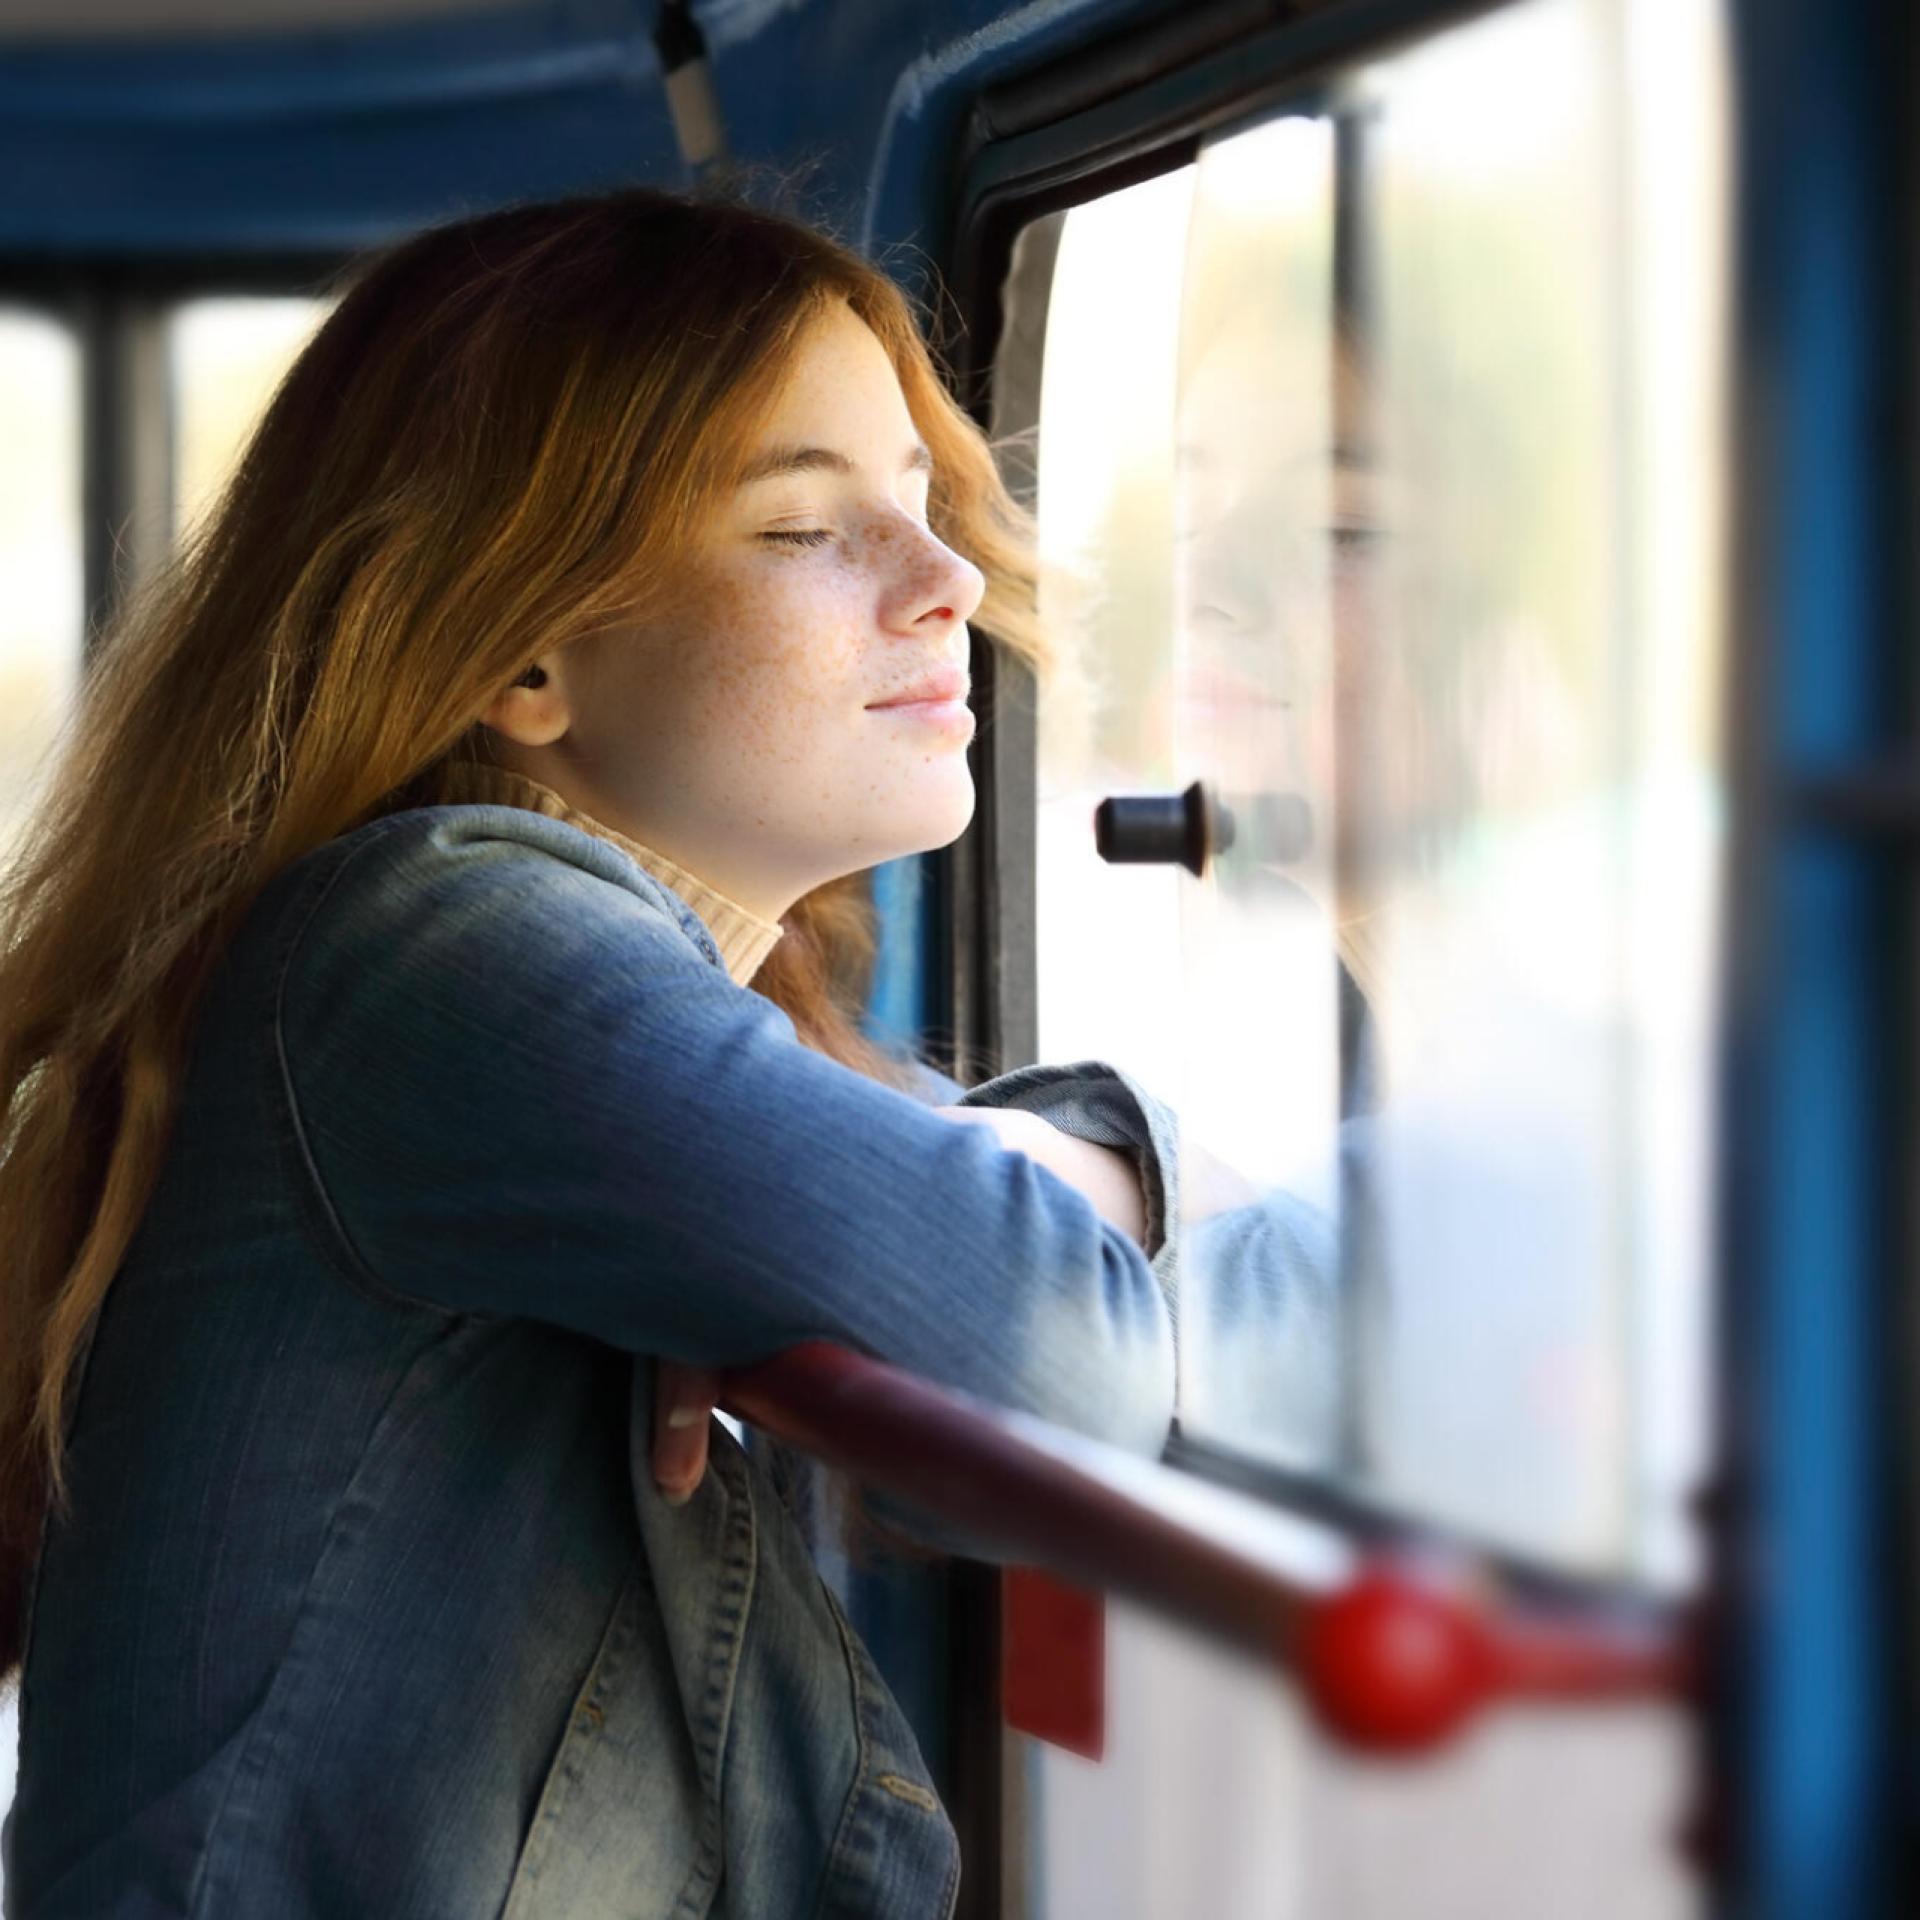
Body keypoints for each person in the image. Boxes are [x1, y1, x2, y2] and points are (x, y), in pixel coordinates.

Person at [0, 185, 1184, 1919]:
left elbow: (935, 1181)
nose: (946, 587)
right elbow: (1057, 1361)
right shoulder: (440, 947)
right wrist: (1086, 1184)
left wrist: (1066, 1161)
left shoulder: (600, 1003)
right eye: (806, 530)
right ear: (525, 654)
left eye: (924, 511)